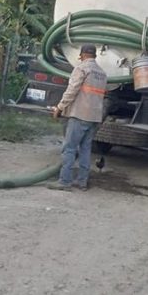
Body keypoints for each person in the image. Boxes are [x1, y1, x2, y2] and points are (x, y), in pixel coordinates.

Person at [48, 44, 108, 191]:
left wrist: (60, 107)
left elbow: (71, 91)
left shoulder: (81, 69)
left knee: (69, 149)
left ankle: (64, 182)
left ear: (83, 55)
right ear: (94, 55)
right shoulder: (102, 73)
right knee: (86, 149)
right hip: (94, 117)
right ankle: (82, 182)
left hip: (80, 115)